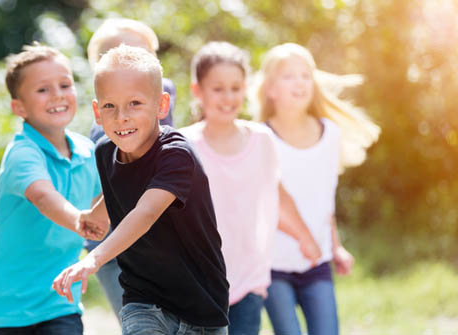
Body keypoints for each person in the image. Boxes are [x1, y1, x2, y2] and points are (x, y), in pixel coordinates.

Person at [52, 45, 229, 335]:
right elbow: (121, 189)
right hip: (143, 299)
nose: (122, 116)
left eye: (135, 103)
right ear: (97, 111)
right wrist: (97, 215)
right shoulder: (105, 151)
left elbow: (145, 212)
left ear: (162, 105)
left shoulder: (176, 155)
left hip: (201, 306)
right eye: (110, 106)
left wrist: (94, 259)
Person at [179, 41, 321, 335]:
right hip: (196, 283)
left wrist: (304, 236)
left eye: (236, 88)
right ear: (198, 91)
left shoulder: (262, 140)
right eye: (218, 89)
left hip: (247, 281)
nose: (228, 97)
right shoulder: (184, 145)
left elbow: (276, 195)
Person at [0, 43, 106, 335]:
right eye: (43, 89)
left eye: (65, 84)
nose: (58, 94)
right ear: (18, 107)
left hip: (60, 302)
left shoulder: (88, 152)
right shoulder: (23, 153)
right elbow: (43, 197)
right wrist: (78, 221)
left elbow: (108, 207)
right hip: (8, 307)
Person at [254, 42, 380, 335]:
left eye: (305, 75)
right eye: (288, 76)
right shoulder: (260, 138)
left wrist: (335, 247)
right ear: (271, 89)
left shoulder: (329, 134)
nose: (299, 82)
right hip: (273, 266)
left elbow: (325, 200)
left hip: (317, 262)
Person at [83, 17, 177, 320]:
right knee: (140, 323)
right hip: (113, 247)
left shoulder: (160, 101)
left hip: (152, 242)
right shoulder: (110, 127)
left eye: (147, 55)